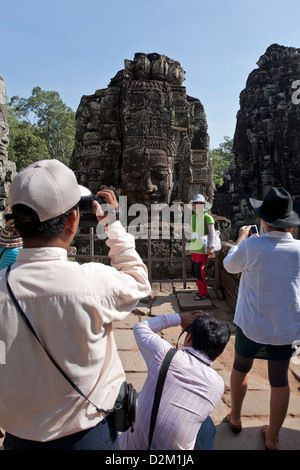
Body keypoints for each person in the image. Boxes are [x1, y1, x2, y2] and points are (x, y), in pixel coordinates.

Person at [0, 159, 151, 450]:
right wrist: (111, 224)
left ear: (16, 224)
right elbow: (138, 280)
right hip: (88, 437)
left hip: (19, 439)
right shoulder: (92, 283)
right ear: (72, 220)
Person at [223, 187, 300, 450]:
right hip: (285, 328)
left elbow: (229, 266)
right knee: (280, 380)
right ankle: (274, 437)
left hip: (252, 324)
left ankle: (235, 417)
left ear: (263, 220)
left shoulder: (253, 245)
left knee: (241, 367)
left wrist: (240, 240)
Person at [119, 311, 230, 450]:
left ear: (188, 338)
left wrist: (179, 318)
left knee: (141, 396)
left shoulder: (165, 355)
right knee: (207, 426)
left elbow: (140, 328)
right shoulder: (217, 385)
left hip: (128, 447)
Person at [189, 194, 216, 301]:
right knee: (195, 270)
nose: (198, 205)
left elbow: (212, 232)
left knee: (199, 270)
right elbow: (192, 230)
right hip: (194, 247)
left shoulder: (207, 217)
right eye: (196, 203)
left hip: (202, 249)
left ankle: (204, 293)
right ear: (194, 205)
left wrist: (211, 246)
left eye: (200, 203)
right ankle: (201, 291)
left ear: (204, 205)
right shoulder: (193, 217)